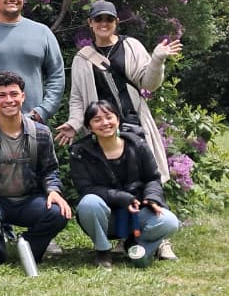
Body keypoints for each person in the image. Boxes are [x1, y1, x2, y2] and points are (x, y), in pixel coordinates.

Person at [56, 0, 183, 188]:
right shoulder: (82, 58)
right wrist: (74, 123)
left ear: (116, 22)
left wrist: (157, 60)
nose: (103, 24)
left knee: (144, 180)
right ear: (90, 23)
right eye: (98, 19)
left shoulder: (131, 46)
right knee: (110, 183)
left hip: (134, 124)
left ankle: (151, 213)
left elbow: (150, 84)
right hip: (102, 129)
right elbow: (77, 98)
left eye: (109, 19)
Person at [0, 71, 70, 266]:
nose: (9, 100)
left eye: (14, 94)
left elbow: (50, 170)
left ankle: (28, 245)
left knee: (58, 212)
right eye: (2, 95)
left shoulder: (41, 133)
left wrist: (53, 191)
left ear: (23, 96)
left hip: (29, 200)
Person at [69, 100, 181, 269]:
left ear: (118, 120)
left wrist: (151, 199)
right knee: (88, 202)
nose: (105, 123)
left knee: (170, 222)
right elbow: (85, 189)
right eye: (97, 120)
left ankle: (135, 245)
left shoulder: (138, 145)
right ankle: (103, 251)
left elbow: (153, 178)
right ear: (89, 127)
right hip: (106, 215)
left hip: (138, 212)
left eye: (109, 117)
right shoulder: (80, 152)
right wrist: (123, 198)